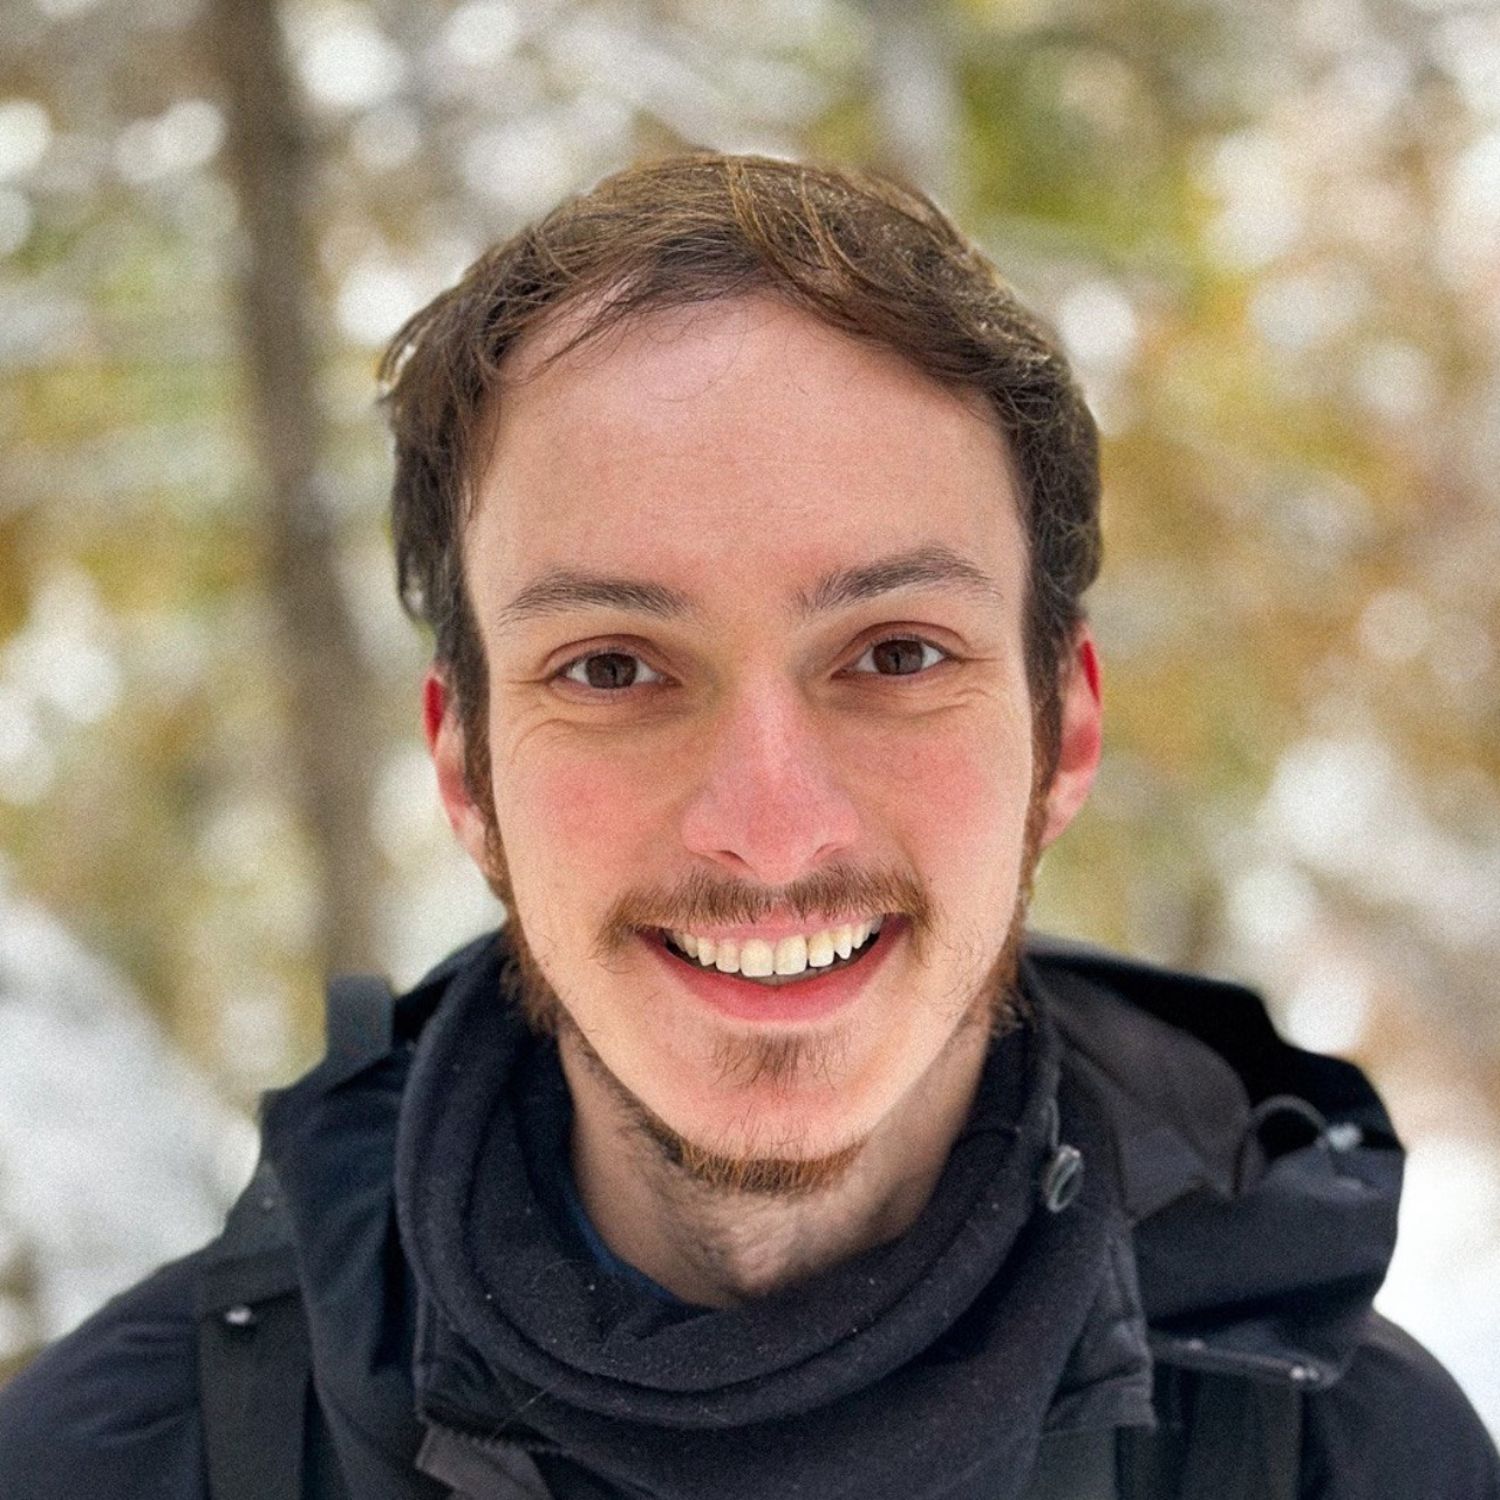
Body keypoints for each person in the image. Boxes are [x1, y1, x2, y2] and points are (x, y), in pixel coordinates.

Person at [0, 152, 1495, 1500]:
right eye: (612, 668)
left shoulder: (1347, 1460)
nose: (770, 831)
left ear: (1065, 733)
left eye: (895, 654)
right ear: (466, 771)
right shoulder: (121, 1462)